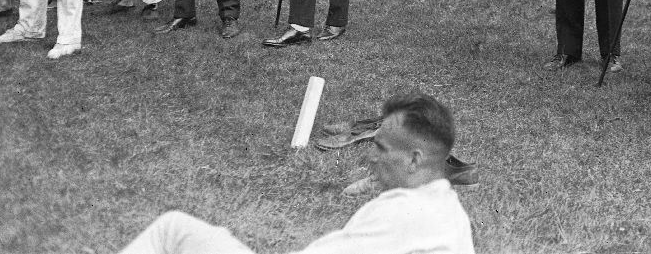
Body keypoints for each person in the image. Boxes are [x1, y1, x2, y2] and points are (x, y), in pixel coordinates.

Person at [115, 92, 475, 254]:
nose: (371, 160)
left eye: (380, 148)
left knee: (172, 229)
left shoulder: (402, 211)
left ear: (414, 160)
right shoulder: (448, 211)